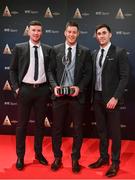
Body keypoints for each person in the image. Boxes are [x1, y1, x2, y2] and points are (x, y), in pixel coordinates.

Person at [48, 21, 92, 173]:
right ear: (65, 33)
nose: (72, 34)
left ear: (78, 34)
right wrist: (55, 87)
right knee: (57, 129)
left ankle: (75, 159)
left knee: (78, 130)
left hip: (76, 96)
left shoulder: (85, 51)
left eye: (74, 32)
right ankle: (57, 157)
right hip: (59, 97)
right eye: (69, 32)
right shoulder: (56, 50)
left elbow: (88, 73)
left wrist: (78, 87)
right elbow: (50, 71)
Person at [10, 20, 52, 170]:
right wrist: (16, 88)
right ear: (28, 31)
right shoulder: (19, 48)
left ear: (42, 32)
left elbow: (50, 71)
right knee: (22, 125)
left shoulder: (48, 49)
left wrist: (49, 88)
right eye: (33, 30)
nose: (36, 33)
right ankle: (20, 157)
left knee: (40, 125)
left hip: (42, 91)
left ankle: (38, 154)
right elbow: (13, 70)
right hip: (25, 91)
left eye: (39, 30)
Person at [88, 24, 129, 177]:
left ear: (110, 34)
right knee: (102, 131)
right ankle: (104, 157)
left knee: (115, 133)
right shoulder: (94, 53)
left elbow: (125, 77)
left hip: (112, 99)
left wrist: (116, 97)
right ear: (96, 36)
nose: (101, 36)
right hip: (97, 98)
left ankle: (115, 163)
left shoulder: (119, 52)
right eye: (99, 33)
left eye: (104, 33)